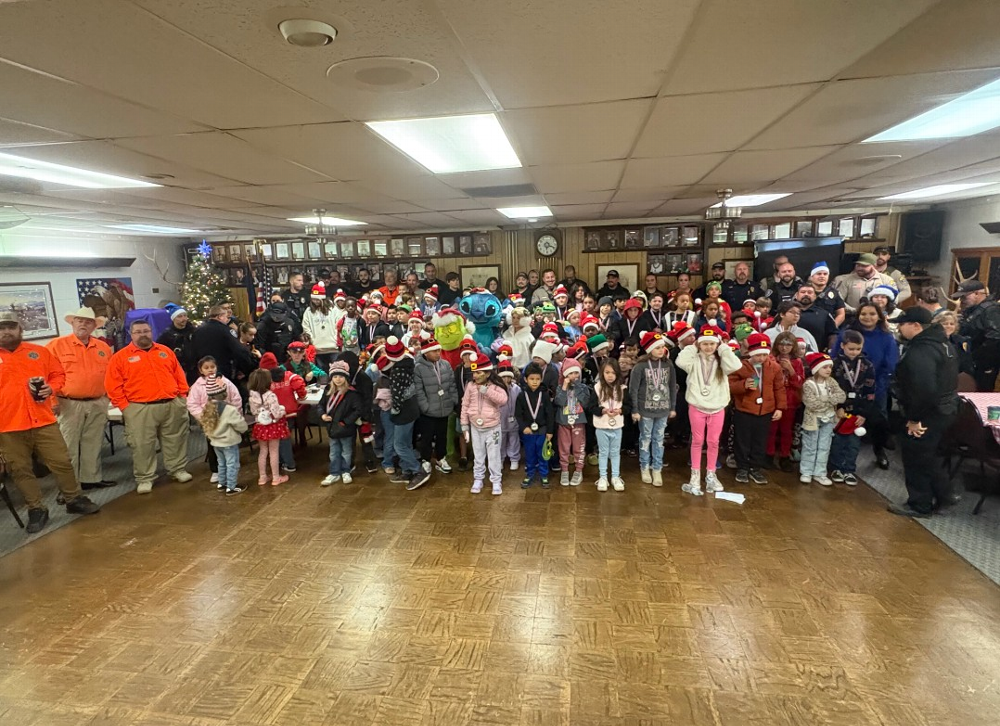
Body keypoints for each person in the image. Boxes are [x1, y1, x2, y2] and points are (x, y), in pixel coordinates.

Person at [0, 311, 101, 533]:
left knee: (62, 461)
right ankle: (36, 508)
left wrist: (52, 388)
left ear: (20, 329)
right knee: (21, 469)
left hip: (43, 421)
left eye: (11, 327)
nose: (6, 332)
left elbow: (58, 375)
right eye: (2, 328)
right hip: (8, 426)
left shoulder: (39, 352)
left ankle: (73, 499)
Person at [105, 318, 192, 495]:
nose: (143, 335)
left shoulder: (165, 351)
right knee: (142, 445)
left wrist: (182, 396)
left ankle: (177, 470)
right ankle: (145, 478)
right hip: (139, 408)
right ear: (131, 334)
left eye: (146, 331)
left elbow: (178, 374)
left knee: (175, 439)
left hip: (171, 404)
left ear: (151, 332)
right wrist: (125, 407)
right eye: (138, 332)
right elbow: (112, 386)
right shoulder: (120, 358)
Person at [888, 307, 959, 517]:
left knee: (916, 457)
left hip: (927, 412)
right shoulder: (944, 344)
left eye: (902, 323)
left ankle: (919, 504)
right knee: (929, 455)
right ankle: (945, 495)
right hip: (946, 408)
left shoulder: (922, 350)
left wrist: (914, 419)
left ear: (916, 326)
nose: (899, 327)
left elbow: (923, 389)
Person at [46, 306, 114, 491]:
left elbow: (110, 374)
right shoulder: (56, 346)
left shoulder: (103, 347)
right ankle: (69, 488)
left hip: (98, 402)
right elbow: (47, 377)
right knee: (69, 447)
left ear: (94, 326)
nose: (83, 324)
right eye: (80, 320)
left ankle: (90, 479)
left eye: (88, 322)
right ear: (73, 323)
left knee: (93, 442)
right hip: (68, 404)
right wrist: (52, 402)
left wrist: (108, 397)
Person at [675, 326, 742, 495]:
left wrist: (723, 347)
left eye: (712, 344)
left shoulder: (722, 361)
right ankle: (695, 475)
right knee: (697, 440)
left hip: (717, 406)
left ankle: (711, 474)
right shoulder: (694, 359)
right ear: (699, 344)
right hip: (697, 405)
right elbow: (680, 361)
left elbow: (736, 365)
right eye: (705, 344)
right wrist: (693, 345)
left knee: (713, 442)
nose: (708, 347)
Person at [831, 303, 897, 469]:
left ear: (879, 316)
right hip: (845, 385)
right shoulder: (847, 333)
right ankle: (840, 458)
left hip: (874, 386)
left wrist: (878, 384)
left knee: (878, 419)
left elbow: (890, 364)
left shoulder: (886, 336)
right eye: (864, 314)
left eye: (872, 314)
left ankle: (879, 450)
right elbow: (834, 356)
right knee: (843, 420)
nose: (868, 317)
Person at [728, 333, 786, 485]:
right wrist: (743, 386)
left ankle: (755, 468)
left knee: (760, 441)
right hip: (744, 410)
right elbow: (729, 385)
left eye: (764, 355)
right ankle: (742, 467)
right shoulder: (740, 366)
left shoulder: (774, 367)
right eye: (758, 355)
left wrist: (779, 407)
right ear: (751, 353)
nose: (761, 358)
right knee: (742, 440)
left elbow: (779, 388)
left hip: (765, 411)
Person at [381, 337, 430, 491]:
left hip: (403, 412)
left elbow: (396, 395)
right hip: (412, 408)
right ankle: (407, 470)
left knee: (399, 445)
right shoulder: (409, 363)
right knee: (407, 442)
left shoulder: (396, 371)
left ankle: (418, 470)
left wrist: (395, 410)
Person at [629, 330, 677, 487]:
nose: (661, 350)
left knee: (659, 440)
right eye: (657, 347)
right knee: (645, 438)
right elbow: (633, 390)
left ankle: (657, 468)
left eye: (663, 347)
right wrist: (635, 410)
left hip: (663, 409)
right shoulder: (640, 366)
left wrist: (672, 407)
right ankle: (644, 467)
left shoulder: (668, 364)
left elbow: (672, 387)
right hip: (645, 410)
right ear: (649, 349)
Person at [829, 330, 876, 486]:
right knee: (837, 441)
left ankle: (849, 469)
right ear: (842, 346)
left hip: (858, 410)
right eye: (851, 349)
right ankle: (836, 468)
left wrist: (864, 413)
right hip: (840, 409)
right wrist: (838, 406)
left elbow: (870, 391)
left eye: (857, 349)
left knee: (853, 443)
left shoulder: (867, 366)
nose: (854, 352)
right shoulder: (834, 364)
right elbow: (830, 387)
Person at [186, 355, 243, 486]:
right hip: (209, 422)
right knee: (213, 446)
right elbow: (192, 404)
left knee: (229, 445)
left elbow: (235, 398)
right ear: (201, 370)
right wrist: (203, 417)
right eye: (206, 368)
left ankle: (231, 469)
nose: (210, 370)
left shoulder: (225, 382)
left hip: (226, 420)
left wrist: (234, 414)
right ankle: (216, 470)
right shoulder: (197, 386)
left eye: (212, 367)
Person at [460, 353, 509, 495]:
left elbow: (503, 400)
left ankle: (496, 480)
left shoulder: (495, 386)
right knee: (478, 454)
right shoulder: (470, 386)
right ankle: (478, 479)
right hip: (476, 427)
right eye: (474, 372)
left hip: (492, 427)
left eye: (479, 372)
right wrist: (464, 425)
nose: (475, 376)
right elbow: (465, 405)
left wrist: (487, 391)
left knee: (494, 455)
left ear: (487, 373)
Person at [195, 370, 248, 496]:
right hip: (229, 442)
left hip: (216, 442)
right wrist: (243, 429)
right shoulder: (228, 409)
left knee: (222, 463)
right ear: (224, 393)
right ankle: (231, 486)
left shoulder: (207, 409)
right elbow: (240, 424)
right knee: (232, 463)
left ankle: (222, 483)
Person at [798, 353, 846, 487]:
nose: (828, 370)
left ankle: (820, 473)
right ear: (816, 368)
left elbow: (841, 396)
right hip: (812, 420)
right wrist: (830, 402)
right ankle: (806, 471)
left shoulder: (831, 382)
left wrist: (825, 401)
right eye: (824, 367)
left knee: (824, 446)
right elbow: (811, 404)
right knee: (810, 445)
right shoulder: (808, 384)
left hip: (828, 419)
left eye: (829, 367)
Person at [414, 336, 460, 474]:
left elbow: (452, 384)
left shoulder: (445, 365)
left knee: (442, 436)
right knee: (427, 437)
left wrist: (453, 400)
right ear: (426, 353)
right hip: (428, 411)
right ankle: (426, 460)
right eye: (434, 351)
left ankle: (441, 458)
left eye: (439, 350)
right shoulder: (418, 368)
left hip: (444, 408)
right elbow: (419, 390)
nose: (437, 353)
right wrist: (425, 407)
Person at [258, 352, 305, 473]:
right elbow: (299, 383)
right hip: (288, 413)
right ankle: (286, 463)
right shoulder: (288, 375)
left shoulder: (263, 381)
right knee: (285, 439)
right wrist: (301, 396)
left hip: (271, 415)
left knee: (276, 440)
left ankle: (287, 463)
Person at [317, 360, 363, 486]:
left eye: (341, 376)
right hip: (332, 428)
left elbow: (358, 410)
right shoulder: (328, 391)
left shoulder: (351, 393)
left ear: (346, 378)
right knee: (333, 451)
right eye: (335, 377)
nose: (338, 379)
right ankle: (334, 472)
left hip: (345, 428)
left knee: (346, 451)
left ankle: (345, 471)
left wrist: (345, 422)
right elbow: (321, 405)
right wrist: (322, 415)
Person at [766, 331, 804, 472]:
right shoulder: (771, 359)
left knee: (786, 430)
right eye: (781, 344)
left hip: (790, 400)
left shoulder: (797, 362)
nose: (784, 348)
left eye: (788, 345)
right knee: (771, 428)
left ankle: (784, 456)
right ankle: (768, 454)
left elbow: (800, 383)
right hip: (773, 398)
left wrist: (791, 370)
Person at [588, 358, 627, 492]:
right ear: (602, 373)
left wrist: (620, 410)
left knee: (615, 453)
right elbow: (591, 406)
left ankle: (615, 477)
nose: (610, 375)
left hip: (617, 426)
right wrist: (602, 410)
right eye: (607, 372)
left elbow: (628, 406)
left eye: (613, 372)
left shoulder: (622, 388)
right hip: (601, 426)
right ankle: (603, 477)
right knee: (603, 453)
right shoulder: (597, 388)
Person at [954, 280, 1000, 392]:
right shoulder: (972, 310)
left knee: (980, 394)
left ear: (977, 294)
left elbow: (994, 339)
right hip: (970, 362)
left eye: (964, 297)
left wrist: (976, 359)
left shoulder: (990, 310)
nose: (962, 300)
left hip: (983, 365)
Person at [553, 357, 591, 487]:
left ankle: (578, 470)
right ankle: (564, 470)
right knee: (563, 447)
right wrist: (564, 388)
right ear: (565, 375)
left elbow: (586, 403)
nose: (574, 376)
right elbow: (559, 402)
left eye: (576, 373)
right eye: (570, 373)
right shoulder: (560, 388)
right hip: (563, 423)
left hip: (578, 422)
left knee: (578, 447)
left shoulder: (583, 387)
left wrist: (578, 388)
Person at [247, 368, 288, 486]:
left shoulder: (251, 398)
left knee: (263, 451)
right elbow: (276, 413)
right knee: (274, 451)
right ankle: (276, 477)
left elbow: (254, 412)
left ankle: (262, 477)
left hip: (260, 426)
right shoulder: (271, 396)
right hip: (273, 426)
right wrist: (282, 411)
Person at [515, 363, 554, 489]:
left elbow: (550, 414)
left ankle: (544, 474)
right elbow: (518, 414)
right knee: (530, 453)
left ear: (541, 379)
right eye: (532, 379)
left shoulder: (545, 394)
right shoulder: (521, 395)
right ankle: (530, 473)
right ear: (526, 379)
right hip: (528, 430)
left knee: (543, 453)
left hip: (542, 430)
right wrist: (523, 427)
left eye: (537, 379)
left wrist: (550, 431)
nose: (535, 382)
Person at [302, 283, 340, 372]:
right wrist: (312, 340)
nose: (316, 301)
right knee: (321, 373)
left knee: (336, 371)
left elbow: (339, 325)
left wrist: (335, 339)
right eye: (314, 299)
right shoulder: (308, 311)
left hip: (333, 347)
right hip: (317, 349)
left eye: (318, 299)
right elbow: (306, 328)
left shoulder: (333, 310)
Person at [157, 305, 197, 383]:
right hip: (177, 371)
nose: (184, 319)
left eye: (185, 316)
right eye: (180, 316)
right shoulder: (167, 335)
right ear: (173, 318)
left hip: (194, 370)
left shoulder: (194, 331)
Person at [793, 284, 838, 351]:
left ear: (815, 296)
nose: (806, 294)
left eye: (810, 292)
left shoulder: (824, 314)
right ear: (796, 295)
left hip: (817, 353)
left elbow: (833, 334)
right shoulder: (787, 312)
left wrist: (831, 350)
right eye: (803, 292)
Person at [936, 311, 976, 383]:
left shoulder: (961, 341)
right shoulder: (932, 342)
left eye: (952, 324)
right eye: (945, 324)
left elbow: (967, 364)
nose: (949, 326)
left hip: (958, 379)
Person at [806, 262, 846, 328]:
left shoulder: (834, 293)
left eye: (825, 274)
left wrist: (832, 327)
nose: (822, 276)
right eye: (819, 274)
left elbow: (841, 314)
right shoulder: (804, 291)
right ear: (812, 276)